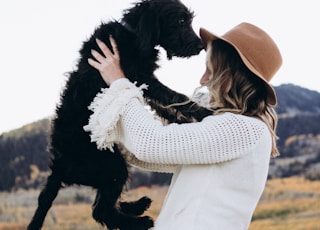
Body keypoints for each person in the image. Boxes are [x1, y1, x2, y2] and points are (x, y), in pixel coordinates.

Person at [84, 22, 282, 229]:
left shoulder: (244, 128)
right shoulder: (237, 128)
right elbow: (150, 154)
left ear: (232, 76)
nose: (203, 80)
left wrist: (119, 82)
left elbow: (151, 144)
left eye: (210, 70)